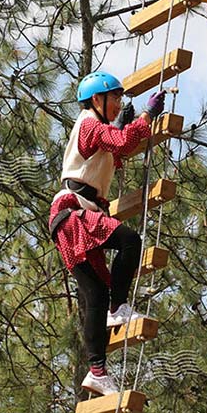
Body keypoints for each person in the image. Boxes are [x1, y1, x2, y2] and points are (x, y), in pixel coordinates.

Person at [48, 71, 166, 396]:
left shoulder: (99, 130)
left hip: (74, 216)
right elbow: (123, 141)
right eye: (114, 98)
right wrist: (147, 116)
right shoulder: (88, 122)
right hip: (74, 210)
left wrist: (125, 125)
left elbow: (118, 149)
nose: (118, 103)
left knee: (96, 294)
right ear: (96, 100)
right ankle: (120, 307)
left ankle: (97, 371)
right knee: (130, 241)